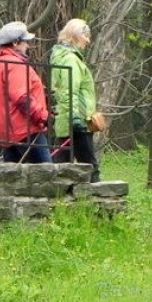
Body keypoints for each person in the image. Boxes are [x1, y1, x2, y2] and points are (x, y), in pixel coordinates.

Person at [0, 21, 51, 163]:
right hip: (25, 130)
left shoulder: (0, 63)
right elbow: (22, 98)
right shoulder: (15, 64)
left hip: (8, 133)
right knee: (48, 176)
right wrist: (43, 117)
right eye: (25, 42)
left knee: (13, 180)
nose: (27, 46)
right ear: (16, 43)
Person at [49, 18, 101, 182]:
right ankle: (98, 203)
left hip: (69, 118)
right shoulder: (70, 59)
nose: (88, 40)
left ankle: (60, 199)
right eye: (86, 35)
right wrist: (76, 117)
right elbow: (68, 90)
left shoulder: (65, 56)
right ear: (76, 36)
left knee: (63, 164)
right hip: (77, 120)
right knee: (90, 166)